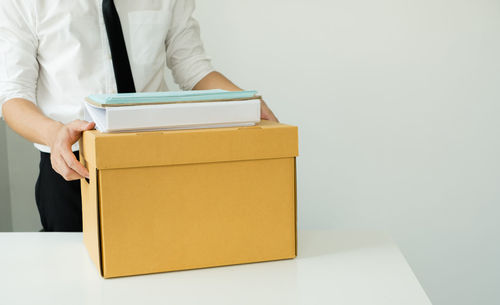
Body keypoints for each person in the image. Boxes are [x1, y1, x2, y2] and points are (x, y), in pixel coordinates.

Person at [0, 0, 278, 232]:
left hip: (155, 159)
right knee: (77, 281)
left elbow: (193, 67)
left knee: (164, 267)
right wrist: (53, 134)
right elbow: (13, 96)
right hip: (72, 167)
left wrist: (249, 103)